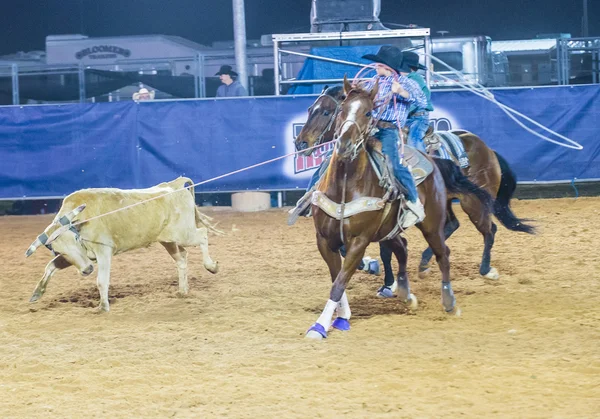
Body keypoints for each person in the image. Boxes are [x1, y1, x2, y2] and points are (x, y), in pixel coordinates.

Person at [401, 51, 434, 153]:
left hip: (418, 118)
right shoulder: (400, 80)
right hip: (406, 118)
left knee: (413, 141)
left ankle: (421, 165)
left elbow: (415, 102)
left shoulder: (416, 79)